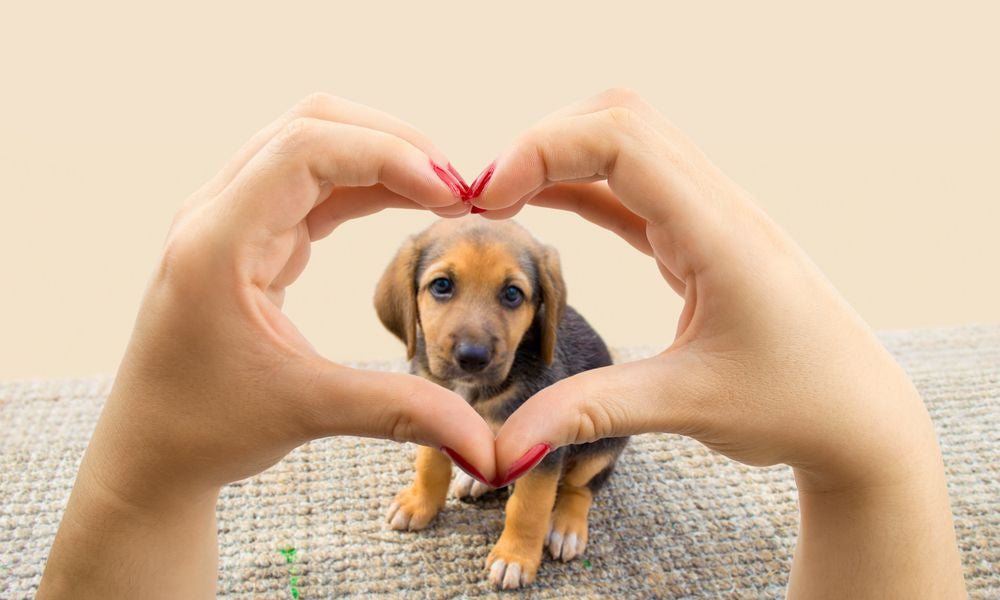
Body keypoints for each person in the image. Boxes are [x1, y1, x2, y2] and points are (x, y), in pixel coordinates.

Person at [36, 90, 966, 599]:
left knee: (568, 454)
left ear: (542, 313)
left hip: (568, 454)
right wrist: (430, 473)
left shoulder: (539, 366)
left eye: (509, 300)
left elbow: (553, 432)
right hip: (461, 439)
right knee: (442, 438)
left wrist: (538, 512)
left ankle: (571, 509)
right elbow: (436, 412)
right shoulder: (424, 349)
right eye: (443, 291)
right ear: (406, 299)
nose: (473, 336)